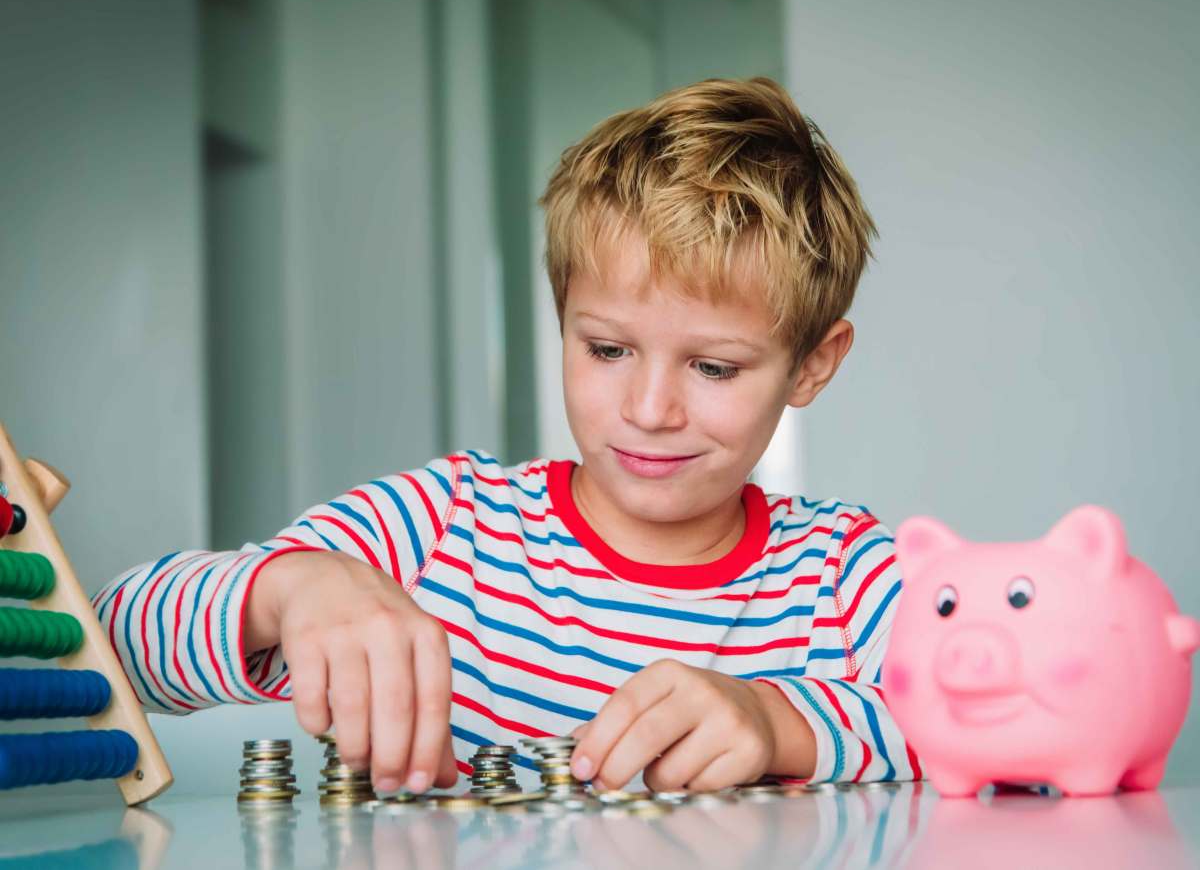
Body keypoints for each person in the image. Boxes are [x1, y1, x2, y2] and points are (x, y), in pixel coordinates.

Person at [92, 77, 919, 796]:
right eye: (607, 350)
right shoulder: (441, 526)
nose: (649, 408)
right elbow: (113, 640)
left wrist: (778, 720)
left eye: (714, 368)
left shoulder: (843, 577)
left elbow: (1025, 722)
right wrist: (288, 590)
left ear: (812, 364)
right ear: (561, 321)